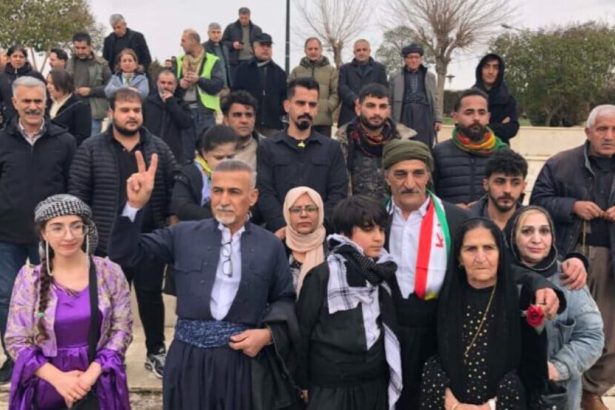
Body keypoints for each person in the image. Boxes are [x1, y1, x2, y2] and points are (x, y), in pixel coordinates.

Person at [380, 139, 562, 408]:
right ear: (386, 177)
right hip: (389, 328)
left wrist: (538, 283)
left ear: (429, 175)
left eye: (418, 173)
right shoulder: (375, 218)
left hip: (439, 330)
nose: (410, 183)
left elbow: (496, 264)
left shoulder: (456, 219)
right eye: (400, 174)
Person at [107, 159, 298, 409]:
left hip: (241, 361)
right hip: (187, 359)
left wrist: (268, 335)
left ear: (252, 197)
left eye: (234, 192)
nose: (224, 200)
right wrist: (134, 206)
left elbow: (284, 299)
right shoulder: (183, 234)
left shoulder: (269, 245)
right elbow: (124, 253)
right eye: (218, 191)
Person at [69, 88, 176, 379]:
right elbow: (78, 193)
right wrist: (83, 237)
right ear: (111, 113)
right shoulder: (91, 149)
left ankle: (156, 351)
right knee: (107, 303)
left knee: (150, 297)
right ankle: (106, 355)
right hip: (107, 243)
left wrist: (169, 226)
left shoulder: (159, 149)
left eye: (136, 110)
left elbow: (174, 187)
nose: (132, 115)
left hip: (149, 241)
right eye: (125, 110)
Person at [6, 194, 132, 409]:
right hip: (45, 384)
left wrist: (88, 377)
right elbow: (16, 340)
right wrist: (59, 380)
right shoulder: (30, 278)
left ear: (85, 229)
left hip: (98, 381)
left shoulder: (109, 272)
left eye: (76, 226)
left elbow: (122, 329)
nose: (68, 236)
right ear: (43, 233)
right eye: (57, 228)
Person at [531, 104, 615, 410]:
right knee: (567, 326)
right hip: (569, 257)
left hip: (610, 261)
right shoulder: (560, 163)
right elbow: (537, 203)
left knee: (609, 333)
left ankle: (591, 392)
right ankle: (565, 390)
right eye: (602, 129)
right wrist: (571, 206)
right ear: (588, 132)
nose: (609, 136)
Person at [0, 76, 76, 383]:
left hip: (51, 238)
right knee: (6, 298)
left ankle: (51, 354)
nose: (33, 107)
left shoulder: (65, 141)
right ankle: (15, 357)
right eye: (26, 101)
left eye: (38, 101)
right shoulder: (2, 141)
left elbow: (71, 187)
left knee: (52, 298)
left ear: (47, 101)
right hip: (6, 236)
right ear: (14, 103)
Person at [296, 195, 402, 409]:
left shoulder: (383, 272)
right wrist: (302, 381)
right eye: (368, 229)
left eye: (381, 230)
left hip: (373, 381)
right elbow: (302, 331)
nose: (378, 238)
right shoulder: (323, 275)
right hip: (331, 385)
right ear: (345, 233)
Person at [420, 218, 526, 409]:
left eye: (488, 248)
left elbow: (530, 370)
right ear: (459, 258)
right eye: (470, 249)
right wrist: (454, 405)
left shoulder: (519, 299)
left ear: (500, 254)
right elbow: (431, 358)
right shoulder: (447, 300)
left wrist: (489, 407)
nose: (480, 257)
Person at [504, 206, 604, 410]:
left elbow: (592, 336)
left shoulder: (569, 278)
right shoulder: (498, 278)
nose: (537, 239)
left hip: (555, 397)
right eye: (527, 231)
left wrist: (556, 368)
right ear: (513, 236)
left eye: (544, 231)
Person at [256, 77, 348, 237]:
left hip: (321, 236)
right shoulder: (268, 148)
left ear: (317, 108)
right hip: (280, 235)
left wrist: (317, 227)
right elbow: (265, 193)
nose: (306, 110)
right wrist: (283, 227)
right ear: (287, 105)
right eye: (300, 103)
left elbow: (338, 194)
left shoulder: (331, 149)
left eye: (312, 105)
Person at [336, 83, 416, 199]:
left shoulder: (405, 143)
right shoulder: (342, 143)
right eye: (371, 106)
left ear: (389, 110)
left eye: (382, 106)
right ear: (358, 109)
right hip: (356, 208)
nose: (377, 112)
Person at [432, 88, 507, 207]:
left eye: (481, 113)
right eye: (469, 112)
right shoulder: (439, 153)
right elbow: (429, 197)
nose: (476, 118)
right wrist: (452, 210)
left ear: (488, 117)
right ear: (455, 117)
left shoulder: (503, 153)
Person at [171, 125, 238, 221]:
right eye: (219, 158)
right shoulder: (189, 174)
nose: (225, 162)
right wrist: (215, 218)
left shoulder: (240, 174)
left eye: (230, 157)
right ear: (205, 153)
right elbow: (181, 205)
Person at [232, 33, 287, 137]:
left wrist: (277, 112)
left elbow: (284, 98)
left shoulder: (280, 73)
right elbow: (235, 95)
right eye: (262, 45)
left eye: (268, 46)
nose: (266, 48)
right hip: (247, 124)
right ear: (254, 47)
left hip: (272, 126)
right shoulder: (242, 69)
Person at [390, 43, 441, 147]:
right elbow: (389, 101)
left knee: (424, 146)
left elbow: (435, 98)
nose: (414, 60)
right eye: (410, 57)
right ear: (405, 59)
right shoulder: (395, 77)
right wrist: (391, 122)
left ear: (421, 59)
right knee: (403, 146)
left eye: (417, 57)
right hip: (404, 114)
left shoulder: (430, 76)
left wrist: (438, 119)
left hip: (424, 115)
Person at [176, 29, 224, 137]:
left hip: (205, 112)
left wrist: (199, 80)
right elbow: (170, 83)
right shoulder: (179, 60)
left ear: (193, 41)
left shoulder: (213, 60)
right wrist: (180, 83)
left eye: (183, 41)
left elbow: (218, 85)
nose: (181, 44)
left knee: (206, 145)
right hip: (183, 111)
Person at [289, 37, 339, 137]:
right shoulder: (296, 71)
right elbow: (289, 92)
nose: (313, 51)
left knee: (323, 147)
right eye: (310, 49)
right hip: (301, 119)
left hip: (323, 121)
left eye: (316, 49)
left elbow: (336, 92)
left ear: (321, 50)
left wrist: (328, 106)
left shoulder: (331, 71)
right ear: (305, 50)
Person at [144, 69, 194, 164]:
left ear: (175, 85)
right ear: (157, 83)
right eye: (162, 82)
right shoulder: (147, 103)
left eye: (170, 83)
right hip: (150, 150)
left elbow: (186, 123)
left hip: (173, 153)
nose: (166, 86)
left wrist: (171, 103)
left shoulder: (182, 104)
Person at [67, 32, 112, 137]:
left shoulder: (102, 64)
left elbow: (111, 88)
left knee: (91, 143)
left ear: (90, 47)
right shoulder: (69, 63)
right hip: (72, 110)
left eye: (83, 48)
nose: (80, 51)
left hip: (93, 112)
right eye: (77, 48)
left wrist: (91, 91)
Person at [282, 186, 326, 293]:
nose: (303, 215)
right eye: (296, 210)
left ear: (319, 212)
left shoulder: (333, 247)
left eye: (310, 209)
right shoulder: (276, 247)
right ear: (287, 213)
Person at [338, 39, 388, 127]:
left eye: (364, 50)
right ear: (354, 52)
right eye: (358, 50)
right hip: (349, 112)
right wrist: (355, 99)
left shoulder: (379, 68)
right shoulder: (345, 69)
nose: (361, 52)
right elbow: (342, 87)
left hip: (373, 113)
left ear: (369, 51)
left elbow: (384, 89)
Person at [473, 53, 520, 144]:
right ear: (480, 70)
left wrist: (483, 127)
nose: (491, 71)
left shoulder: (508, 99)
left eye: (495, 67)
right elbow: (462, 126)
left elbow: (512, 129)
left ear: (500, 71)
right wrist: (499, 126)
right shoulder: (469, 97)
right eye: (487, 67)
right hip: (473, 147)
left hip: (500, 148)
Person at [0, 46, 46, 127]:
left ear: (25, 59)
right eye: (15, 56)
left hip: (32, 118)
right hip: (7, 122)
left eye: (21, 57)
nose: (18, 59)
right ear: (9, 58)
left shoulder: (35, 76)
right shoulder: (2, 77)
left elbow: (45, 96)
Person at [46, 69, 92, 146]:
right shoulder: (47, 102)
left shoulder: (80, 106)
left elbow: (83, 136)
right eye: (47, 82)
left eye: (52, 83)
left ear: (62, 84)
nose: (48, 86)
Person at [221, 90, 264, 170]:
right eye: (237, 115)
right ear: (226, 119)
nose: (244, 120)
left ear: (254, 119)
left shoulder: (267, 148)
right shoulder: (212, 146)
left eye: (249, 115)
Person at [222, 7, 263, 77]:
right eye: (241, 18)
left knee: (251, 82)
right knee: (235, 83)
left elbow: (261, 45)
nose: (243, 20)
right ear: (239, 16)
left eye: (245, 18)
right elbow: (222, 43)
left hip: (252, 61)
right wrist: (232, 45)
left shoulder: (257, 30)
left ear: (249, 16)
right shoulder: (230, 28)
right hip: (235, 63)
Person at [203, 22, 233, 88]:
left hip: (226, 87)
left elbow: (226, 67)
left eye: (218, 32)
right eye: (213, 32)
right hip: (211, 87)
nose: (216, 35)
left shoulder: (225, 47)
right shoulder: (203, 48)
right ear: (208, 33)